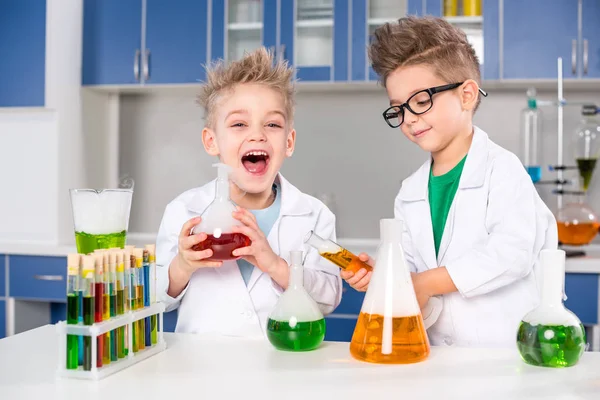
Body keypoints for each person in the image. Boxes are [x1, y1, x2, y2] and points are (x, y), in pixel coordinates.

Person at [342, 16, 557, 347]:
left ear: (467, 95)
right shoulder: (410, 192)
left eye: (421, 100)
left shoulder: (502, 170)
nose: (410, 119)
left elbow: (511, 253)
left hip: (505, 356)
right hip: (441, 358)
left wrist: (424, 282)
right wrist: (390, 277)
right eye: (398, 109)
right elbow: (418, 297)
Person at [155, 47, 342, 337]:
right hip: (201, 371)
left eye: (272, 124)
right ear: (211, 141)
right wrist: (182, 266)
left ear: (289, 142)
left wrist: (276, 266)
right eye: (239, 124)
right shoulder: (184, 211)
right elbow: (157, 300)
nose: (257, 134)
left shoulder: (315, 216)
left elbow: (328, 298)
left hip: (280, 369)